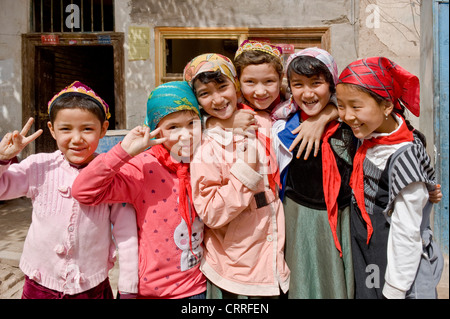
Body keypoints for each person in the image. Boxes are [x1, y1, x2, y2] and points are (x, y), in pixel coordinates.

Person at [0, 81, 138, 299]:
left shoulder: (112, 173)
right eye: (65, 129)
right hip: (39, 284)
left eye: (87, 129)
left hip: (91, 287)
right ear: (52, 130)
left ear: (103, 129)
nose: (76, 139)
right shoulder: (38, 166)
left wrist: (129, 286)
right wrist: (3, 159)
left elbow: (127, 233)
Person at [72, 81, 207, 299]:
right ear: (156, 129)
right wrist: (124, 151)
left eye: (192, 123)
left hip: (196, 287)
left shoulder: (205, 162)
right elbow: (84, 191)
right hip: (150, 292)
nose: (186, 134)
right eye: (173, 127)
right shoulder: (143, 166)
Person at [336, 57, 444, 299]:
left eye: (355, 106)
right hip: (370, 252)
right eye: (341, 106)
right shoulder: (371, 134)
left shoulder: (402, 155)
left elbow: (407, 230)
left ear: (386, 106)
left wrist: (395, 290)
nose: (346, 116)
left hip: (392, 264)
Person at [184, 53, 290, 298]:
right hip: (234, 269)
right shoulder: (204, 146)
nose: (218, 99)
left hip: (272, 261)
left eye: (223, 87)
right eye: (205, 93)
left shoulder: (262, 121)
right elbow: (211, 212)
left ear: (236, 86)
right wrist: (245, 173)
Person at [272, 48, 356, 299]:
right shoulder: (284, 129)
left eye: (316, 83)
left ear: (332, 83)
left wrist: (323, 118)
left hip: (343, 219)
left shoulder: (351, 125)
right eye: (298, 84)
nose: (307, 93)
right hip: (299, 220)